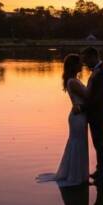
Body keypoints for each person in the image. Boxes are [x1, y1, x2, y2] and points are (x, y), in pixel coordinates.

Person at [36, 54, 90, 187]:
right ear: (74, 65)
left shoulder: (73, 80)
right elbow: (88, 97)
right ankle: (75, 176)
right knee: (77, 144)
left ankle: (77, 174)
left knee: (77, 143)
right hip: (78, 117)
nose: (82, 65)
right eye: (79, 63)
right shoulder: (72, 82)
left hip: (79, 116)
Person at [80, 47, 103, 181]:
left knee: (100, 144)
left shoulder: (102, 73)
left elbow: (98, 97)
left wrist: (82, 108)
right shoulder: (98, 71)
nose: (85, 63)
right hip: (97, 114)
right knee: (98, 144)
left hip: (99, 114)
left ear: (93, 56)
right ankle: (100, 170)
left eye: (86, 59)